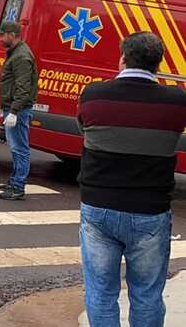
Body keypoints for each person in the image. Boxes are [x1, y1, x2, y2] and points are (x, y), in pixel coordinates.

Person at [77, 32, 186, 327]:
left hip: (99, 208)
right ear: (158, 63)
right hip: (149, 211)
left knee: (100, 292)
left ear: (123, 58)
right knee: (147, 294)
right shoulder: (177, 102)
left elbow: (84, 131)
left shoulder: (93, 95)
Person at [0, 20, 39, 200]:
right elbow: (14, 84)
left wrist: (13, 110)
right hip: (13, 106)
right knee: (15, 146)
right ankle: (14, 181)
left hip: (19, 110)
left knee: (20, 148)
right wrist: (4, 104)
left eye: (2, 35)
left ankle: (18, 186)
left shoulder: (21, 56)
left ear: (12, 34)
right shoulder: (16, 53)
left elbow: (23, 87)